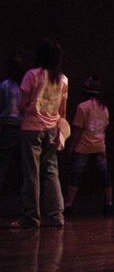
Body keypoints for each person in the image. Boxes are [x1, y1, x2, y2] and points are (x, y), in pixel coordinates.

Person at [11, 40, 68, 228]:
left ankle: (31, 217)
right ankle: (57, 216)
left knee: (31, 174)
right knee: (51, 171)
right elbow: (62, 109)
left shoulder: (32, 75)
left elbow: (22, 105)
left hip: (31, 128)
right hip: (52, 129)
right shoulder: (63, 79)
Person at [64, 77, 113, 215]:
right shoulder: (104, 108)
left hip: (83, 147)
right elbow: (105, 128)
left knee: (76, 174)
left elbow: (77, 130)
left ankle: (68, 205)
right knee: (104, 174)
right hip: (100, 146)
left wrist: (71, 148)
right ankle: (109, 203)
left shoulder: (82, 107)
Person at [0, 53, 24, 189]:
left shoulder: (6, 85)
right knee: (17, 162)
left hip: (11, 125)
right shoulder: (21, 86)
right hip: (17, 125)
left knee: (5, 160)